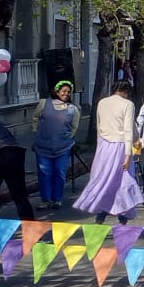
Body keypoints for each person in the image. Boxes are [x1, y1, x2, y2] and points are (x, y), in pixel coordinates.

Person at [78, 81, 143, 225]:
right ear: (126, 91)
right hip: (120, 146)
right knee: (123, 181)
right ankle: (123, 218)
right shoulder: (128, 105)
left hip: (104, 145)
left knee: (104, 180)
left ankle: (101, 215)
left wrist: (99, 148)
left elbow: (99, 126)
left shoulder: (102, 102)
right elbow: (128, 130)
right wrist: (128, 155)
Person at [34, 81, 81, 210]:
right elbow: (35, 118)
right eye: (64, 91)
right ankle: (45, 200)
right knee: (44, 173)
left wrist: (66, 138)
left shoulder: (73, 109)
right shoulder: (44, 103)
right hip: (43, 147)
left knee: (59, 173)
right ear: (57, 91)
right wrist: (37, 132)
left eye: (68, 92)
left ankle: (57, 199)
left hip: (63, 148)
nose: (66, 94)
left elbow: (74, 127)